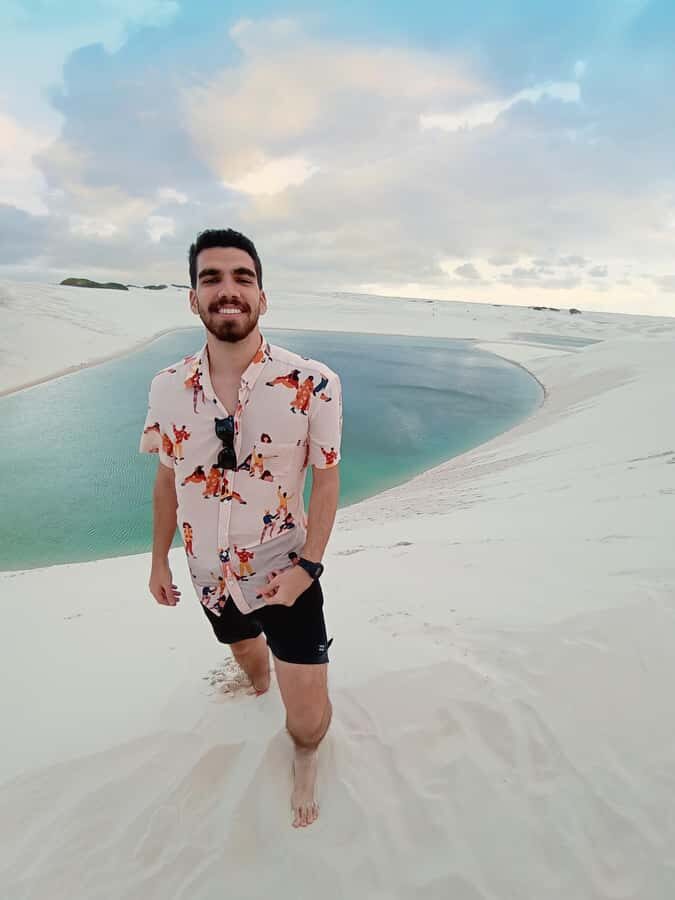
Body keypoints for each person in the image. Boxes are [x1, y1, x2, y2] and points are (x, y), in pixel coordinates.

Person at [139, 228, 342, 829]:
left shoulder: (314, 384)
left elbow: (326, 483)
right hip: (207, 571)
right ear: (193, 298)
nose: (227, 290)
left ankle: (305, 756)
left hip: (285, 574)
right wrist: (158, 560)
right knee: (246, 656)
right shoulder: (166, 386)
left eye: (241, 277)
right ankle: (256, 686)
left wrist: (308, 568)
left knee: (306, 718)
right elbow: (166, 479)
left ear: (262, 295)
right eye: (211, 278)